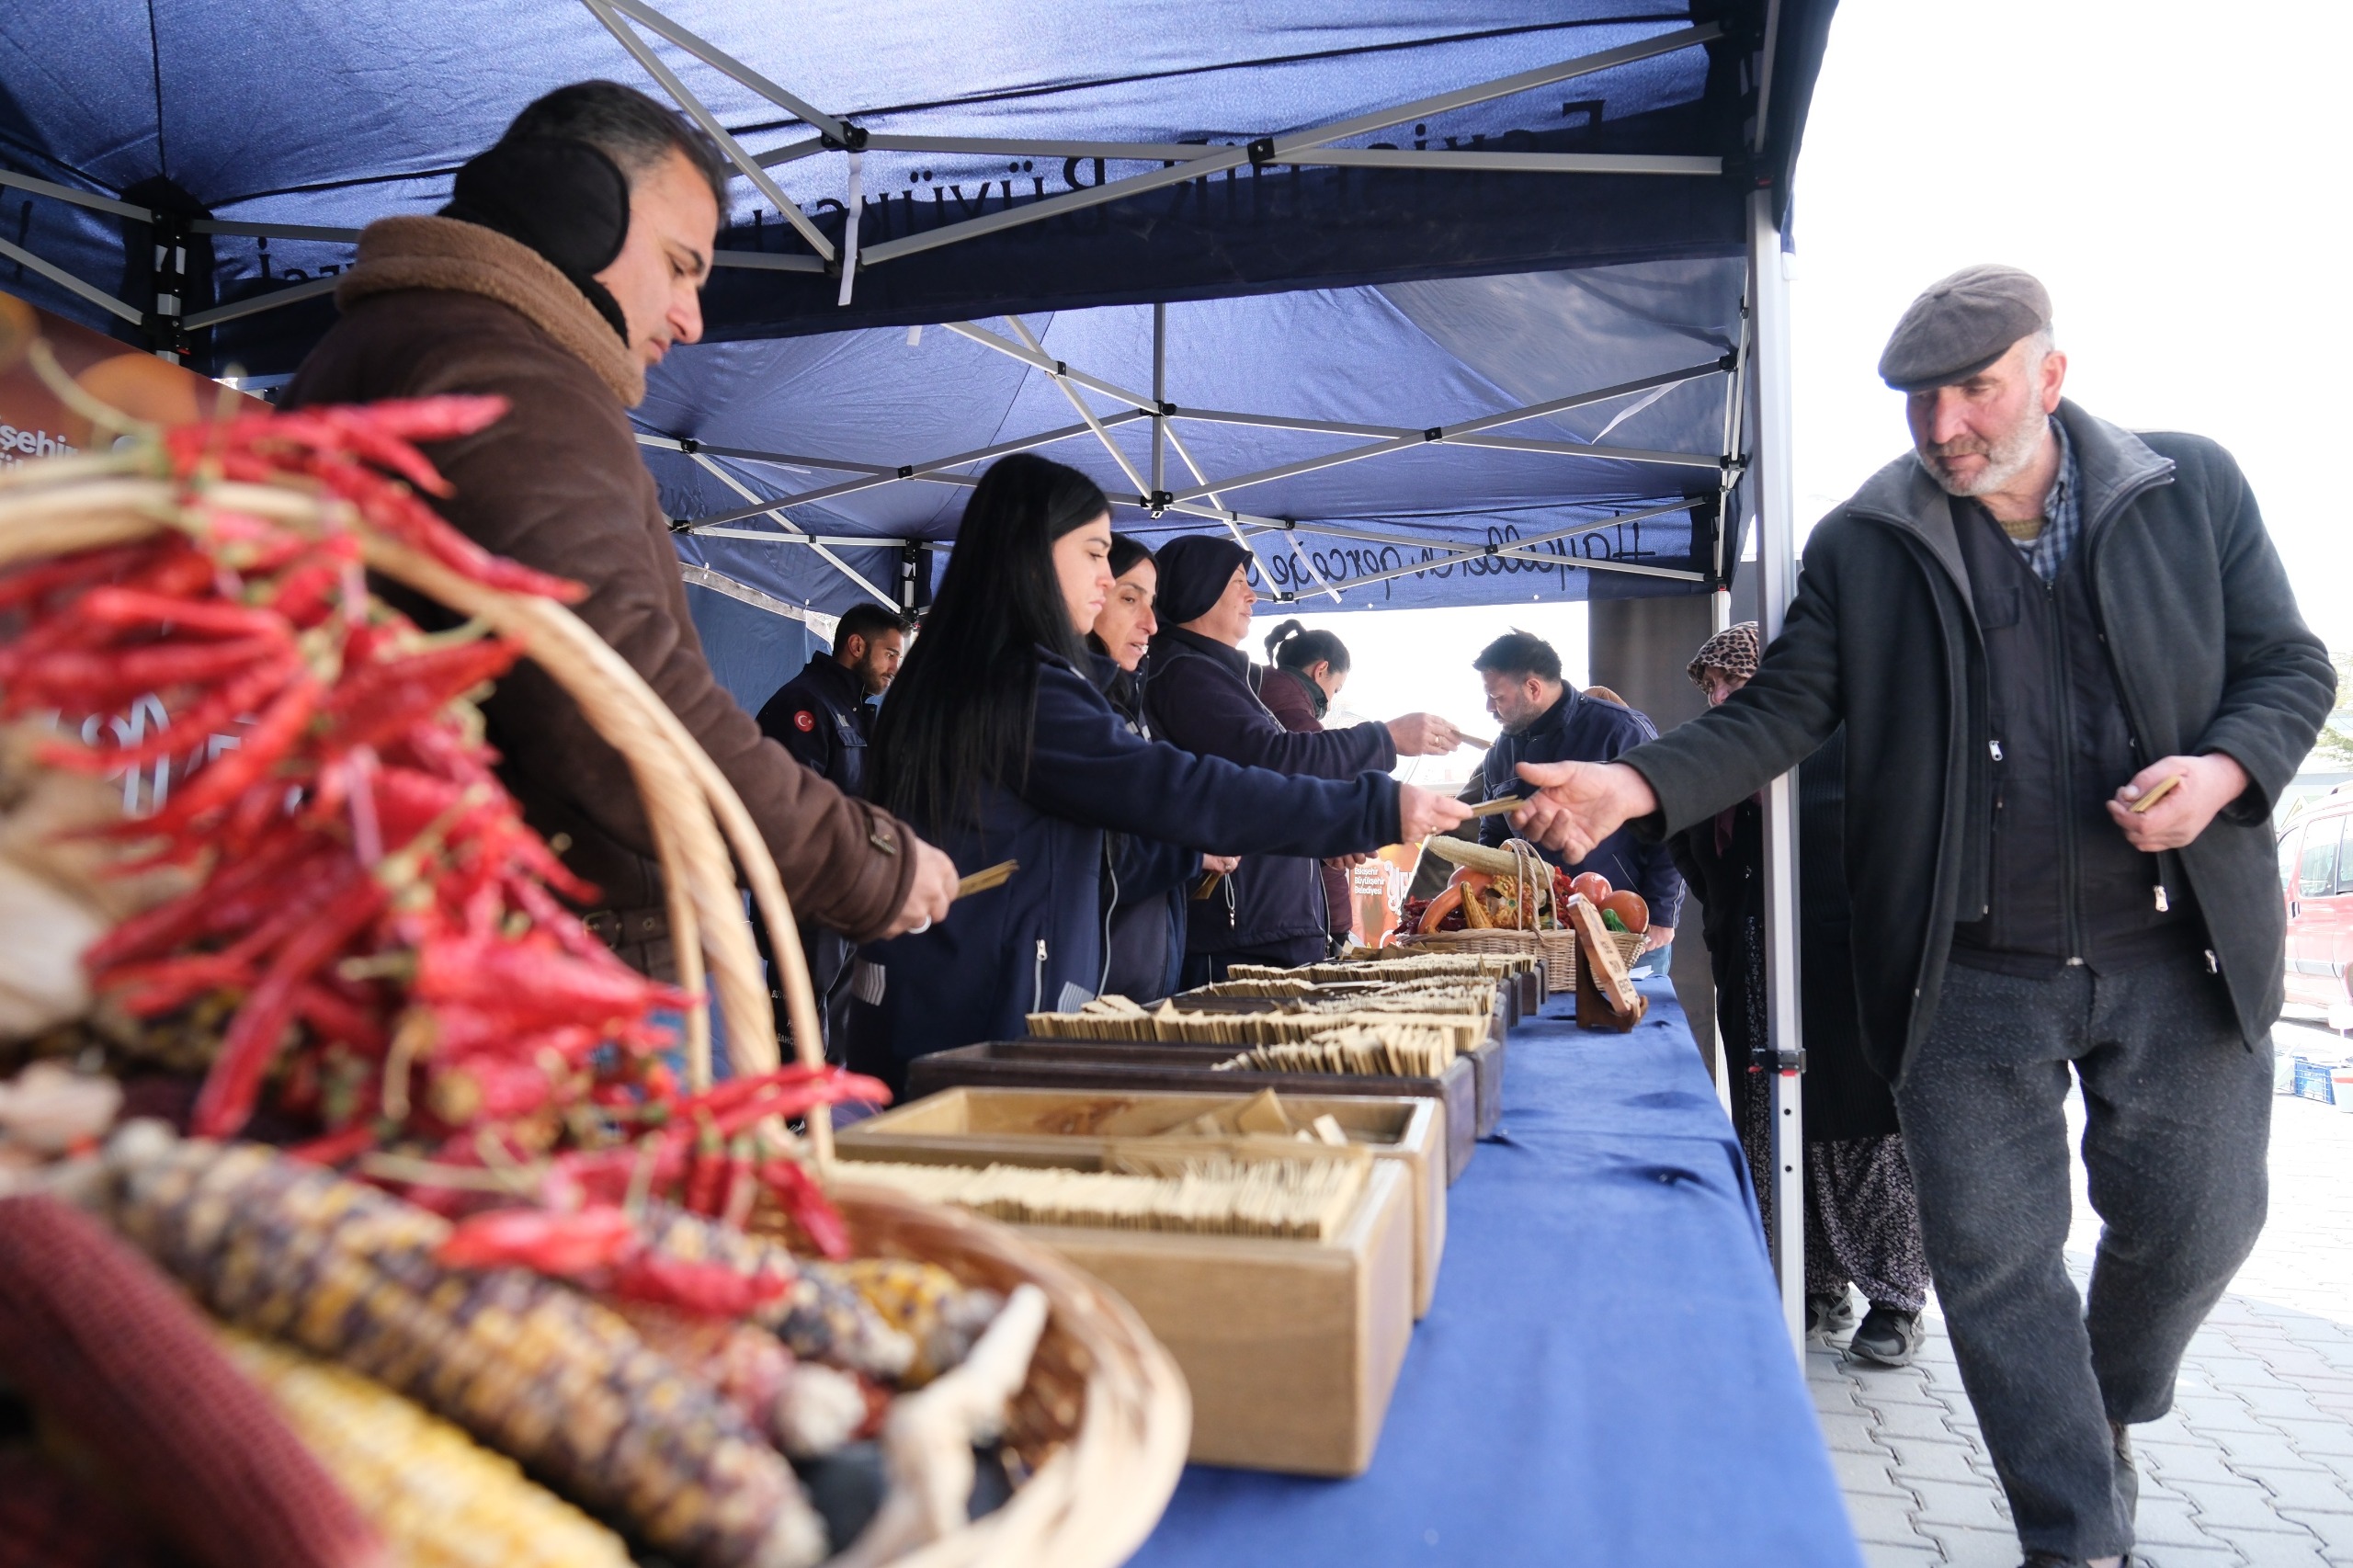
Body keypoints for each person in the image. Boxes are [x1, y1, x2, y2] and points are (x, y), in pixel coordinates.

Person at [1507, 266, 2334, 1568]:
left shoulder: (2193, 486)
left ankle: (2104, 1400)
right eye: (1920, 400)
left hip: (2181, 946)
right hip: (1966, 972)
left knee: (2201, 1223)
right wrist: (1635, 779)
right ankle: (2075, 1535)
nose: (1945, 423)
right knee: (1998, 1268)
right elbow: (1779, 712)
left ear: (2051, 376)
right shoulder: (1862, 542)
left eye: (1977, 389)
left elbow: (2289, 666)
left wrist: (2228, 770)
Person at [280, 81, 955, 982]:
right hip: (535, 980)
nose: (691, 318)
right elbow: (624, 698)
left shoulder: (407, 348)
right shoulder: (513, 378)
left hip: (435, 941)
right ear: (576, 211)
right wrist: (860, 859)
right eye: (680, 265)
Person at [851, 457, 1468, 1092]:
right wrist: (1371, 807)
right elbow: (1178, 786)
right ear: (1032, 553)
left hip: (947, 1007)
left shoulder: (968, 673)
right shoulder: (1018, 687)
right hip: (976, 1028)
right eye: (1095, 555)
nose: (1104, 576)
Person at [1670, 622, 1930, 1367]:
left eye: (1732, 683)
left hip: (1837, 968)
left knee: (1859, 1135)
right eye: (1712, 686)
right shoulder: (1717, 757)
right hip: (1753, 971)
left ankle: (1897, 1299)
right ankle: (1812, 1284)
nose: (1719, 698)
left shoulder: (1838, 741)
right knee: (1772, 1133)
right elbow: (1691, 851)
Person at [1143, 538, 1462, 982]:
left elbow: (1264, 794)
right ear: (1200, 590)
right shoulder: (1185, 675)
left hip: (1262, 926)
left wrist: (1326, 833)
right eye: (1238, 582)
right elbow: (1274, 761)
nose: (1252, 595)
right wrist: (1387, 738)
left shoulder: (1218, 674)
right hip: (1238, 934)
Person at [749, 601, 908, 1057]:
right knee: (796, 1031)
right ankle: (787, 1125)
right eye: (890, 655)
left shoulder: (855, 709)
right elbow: (790, 808)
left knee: (833, 1037)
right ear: (857, 646)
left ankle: (815, 1122)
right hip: (806, 898)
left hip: (849, 897)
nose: (896, 668)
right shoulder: (805, 703)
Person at [1087, 535, 1238, 1001]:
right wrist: (1190, 855)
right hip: (1098, 985)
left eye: (1151, 603)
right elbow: (1108, 861)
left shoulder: (1130, 698)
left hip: (1141, 972)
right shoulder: (1077, 710)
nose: (1151, 624)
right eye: (1129, 599)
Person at [1472, 630, 1679, 956]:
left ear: (1533, 688)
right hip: (1536, 934)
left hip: (1624, 927)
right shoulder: (1499, 754)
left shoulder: (1621, 731)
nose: (1488, 707)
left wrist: (1661, 912)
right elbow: (1494, 834)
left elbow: (1670, 822)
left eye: (1497, 697)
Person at [1260, 619, 1361, 953]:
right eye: (1337, 687)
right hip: (1279, 913)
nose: (1331, 701)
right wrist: (1340, 930)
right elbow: (1333, 832)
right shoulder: (1299, 725)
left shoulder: (1253, 694)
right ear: (1322, 671)